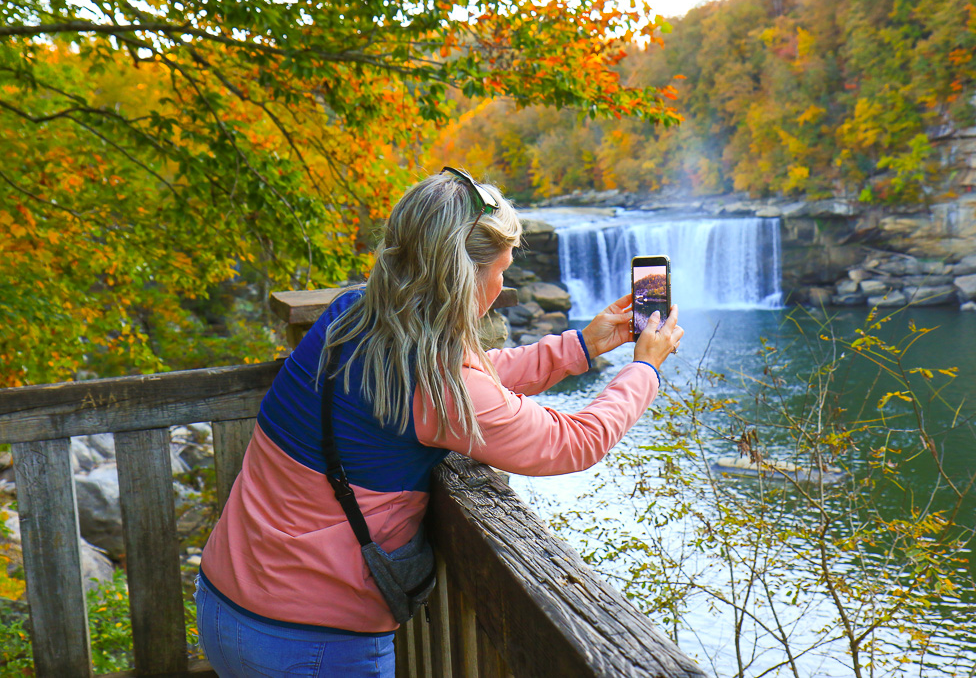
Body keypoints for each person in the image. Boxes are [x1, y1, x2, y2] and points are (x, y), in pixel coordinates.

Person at [195, 167, 684, 677]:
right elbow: (573, 442)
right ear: (462, 274)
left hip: (222, 604)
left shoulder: (350, 313)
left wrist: (580, 348)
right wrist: (645, 366)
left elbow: (474, 382)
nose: (503, 284)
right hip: (314, 644)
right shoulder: (436, 387)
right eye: (501, 269)